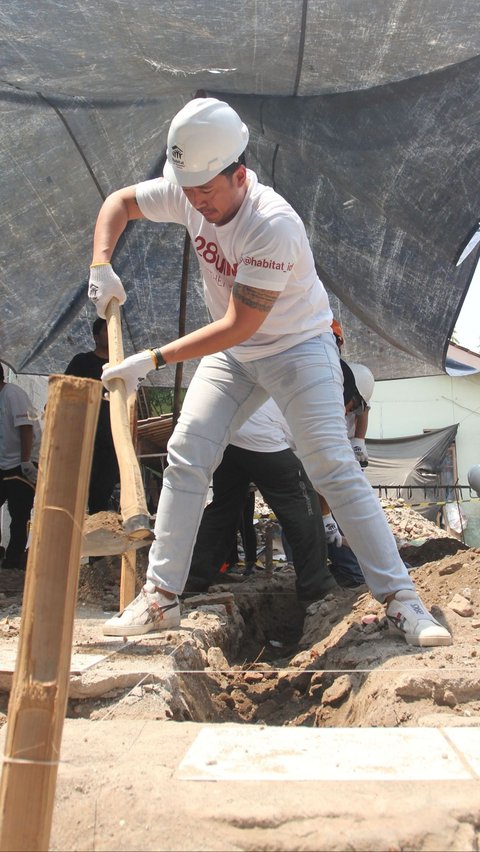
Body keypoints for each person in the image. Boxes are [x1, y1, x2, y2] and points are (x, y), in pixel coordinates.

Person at [88, 96, 451, 647]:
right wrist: (102, 263)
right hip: (237, 355)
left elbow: (238, 323)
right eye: (186, 191)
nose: (195, 203)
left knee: (332, 465)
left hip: (295, 347)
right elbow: (118, 203)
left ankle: (402, 602)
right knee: (188, 454)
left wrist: (153, 359)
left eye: (205, 191)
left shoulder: (273, 223)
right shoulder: (190, 189)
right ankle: (161, 598)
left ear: (238, 174)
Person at [185, 399, 333, 605]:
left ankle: (192, 580)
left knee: (223, 508)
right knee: (303, 503)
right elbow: (326, 464)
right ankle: (316, 588)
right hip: (262, 434)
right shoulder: (328, 399)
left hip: (227, 435)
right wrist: (327, 518)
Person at [65, 318, 119, 514]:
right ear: (96, 337)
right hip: (83, 440)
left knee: (101, 499)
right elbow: (64, 392)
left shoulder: (121, 366)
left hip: (112, 442)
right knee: (77, 497)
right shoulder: (82, 362)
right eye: (107, 330)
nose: (112, 334)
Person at [0, 363, 41, 570]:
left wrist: (26, 462)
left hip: (22, 461)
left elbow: (26, 429)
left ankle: (13, 561)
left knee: (19, 513)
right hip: (4, 463)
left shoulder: (12, 394)